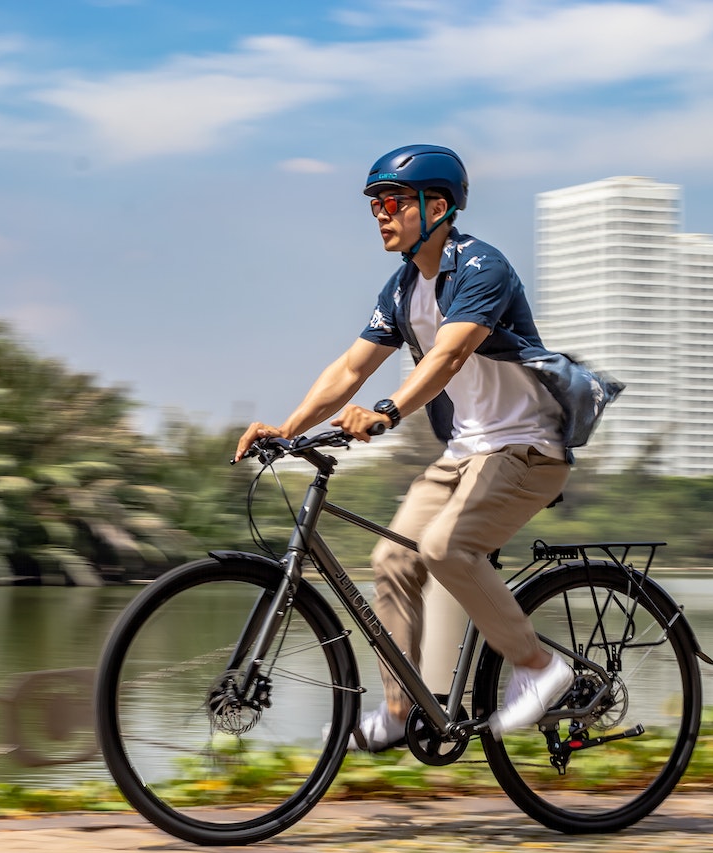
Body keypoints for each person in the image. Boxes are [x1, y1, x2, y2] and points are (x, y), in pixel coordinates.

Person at [233, 144, 622, 750]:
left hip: (527, 449)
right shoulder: (402, 287)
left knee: (444, 547)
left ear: (437, 207)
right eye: (374, 206)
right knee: (392, 559)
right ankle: (400, 709)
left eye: (393, 202)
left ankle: (540, 667)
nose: (380, 215)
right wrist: (288, 428)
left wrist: (388, 411)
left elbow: (450, 353)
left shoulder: (481, 267)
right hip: (464, 453)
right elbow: (350, 369)